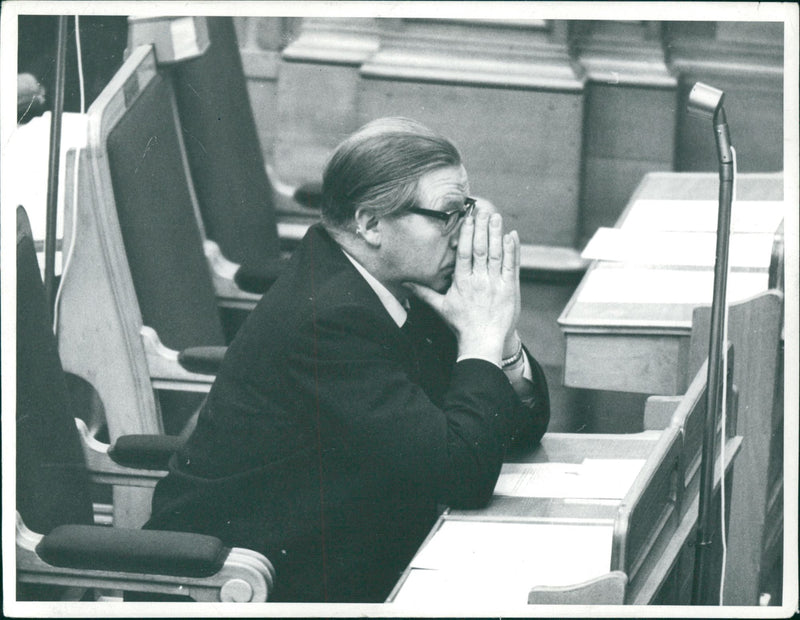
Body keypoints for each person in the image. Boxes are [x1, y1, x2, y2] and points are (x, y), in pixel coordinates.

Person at [146, 117, 550, 602]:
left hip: (342, 546)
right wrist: (481, 336)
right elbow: (464, 475)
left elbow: (513, 431)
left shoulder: (395, 278)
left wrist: (501, 344)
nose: (462, 236)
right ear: (371, 223)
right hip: (238, 582)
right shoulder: (329, 318)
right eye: (447, 215)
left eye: (466, 212)